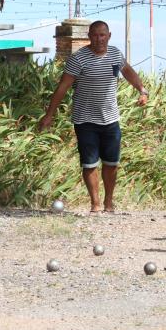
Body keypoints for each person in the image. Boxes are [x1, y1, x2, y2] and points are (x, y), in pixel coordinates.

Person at [38, 20, 149, 213]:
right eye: (95, 35)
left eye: (102, 35)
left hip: (111, 119)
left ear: (109, 36)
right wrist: (49, 115)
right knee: (89, 164)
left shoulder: (115, 54)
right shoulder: (78, 59)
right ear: (89, 37)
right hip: (85, 119)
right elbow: (63, 87)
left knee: (111, 163)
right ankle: (95, 203)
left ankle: (109, 202)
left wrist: (142, 90)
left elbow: (128, 71)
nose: (99, 39)